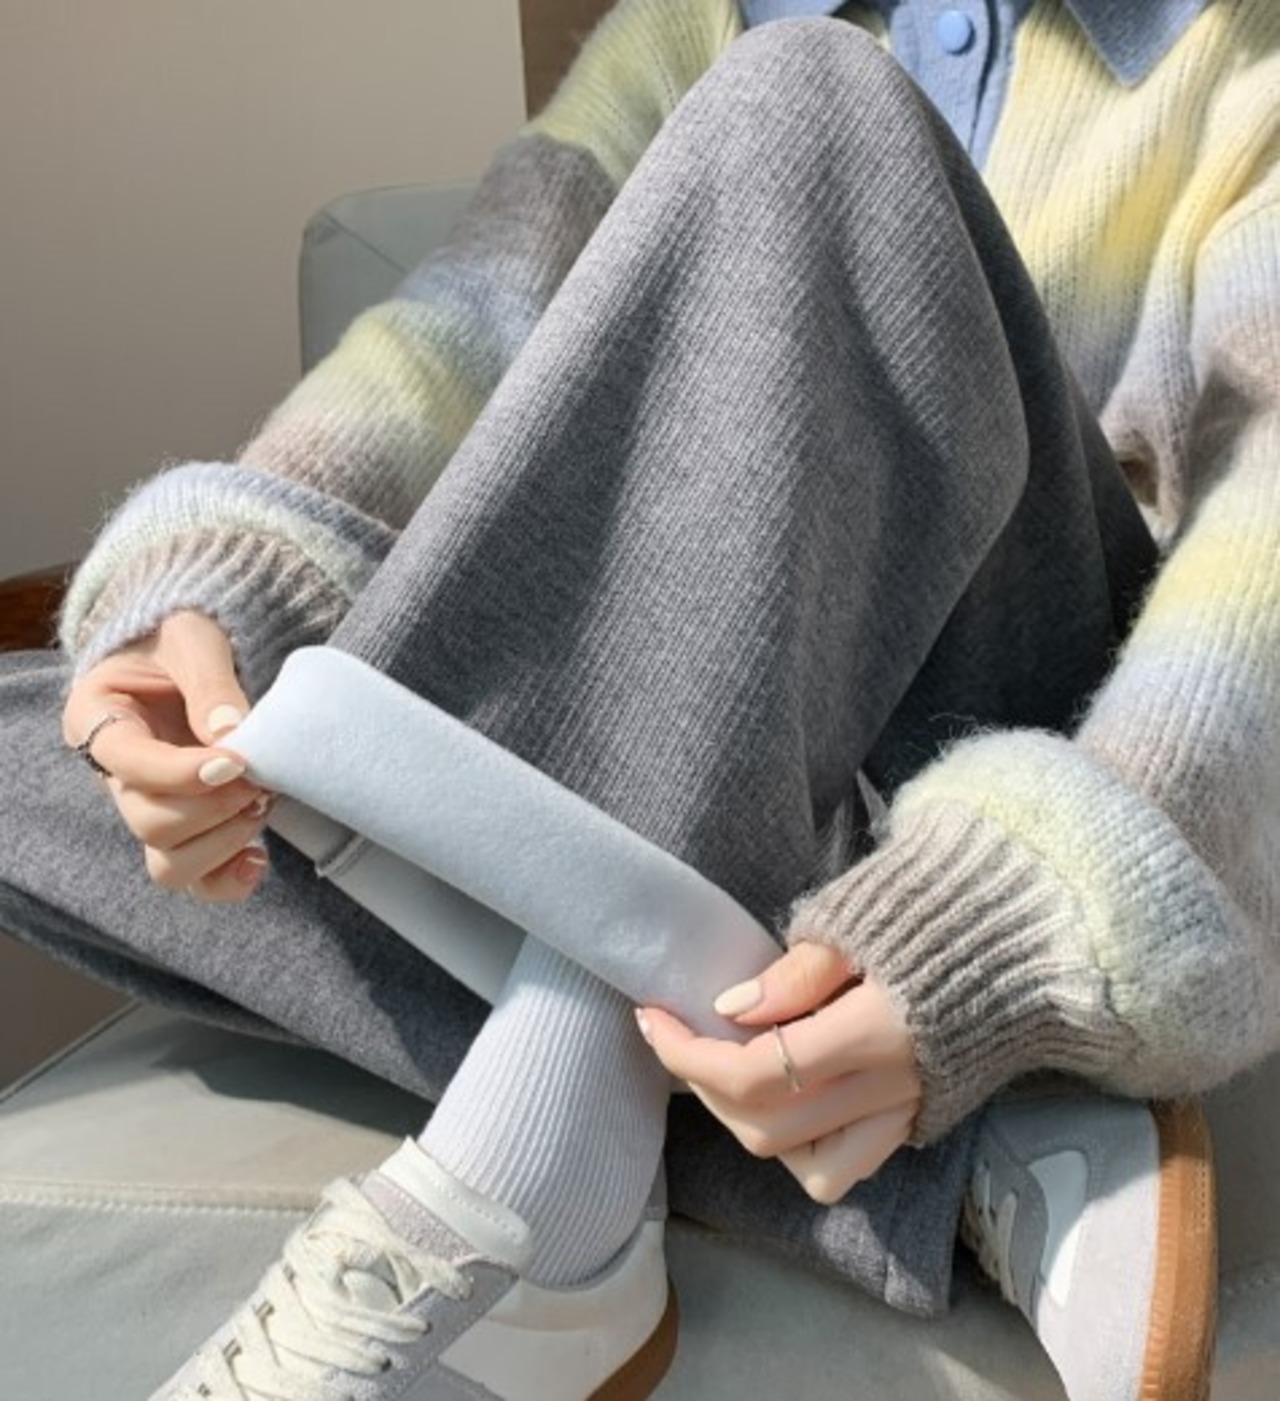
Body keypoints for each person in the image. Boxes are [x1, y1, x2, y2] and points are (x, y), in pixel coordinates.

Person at [4, 0, 1276, 1396]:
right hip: (693, 750)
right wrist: (217, 599)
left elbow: (1258, 568)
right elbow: (469, 322)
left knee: (810, 105)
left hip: (1031, 738)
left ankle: (546, 1192)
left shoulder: (1244, 57)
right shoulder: (695, 18)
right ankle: (857, 1110)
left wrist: (1006, 921)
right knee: (22, 753)